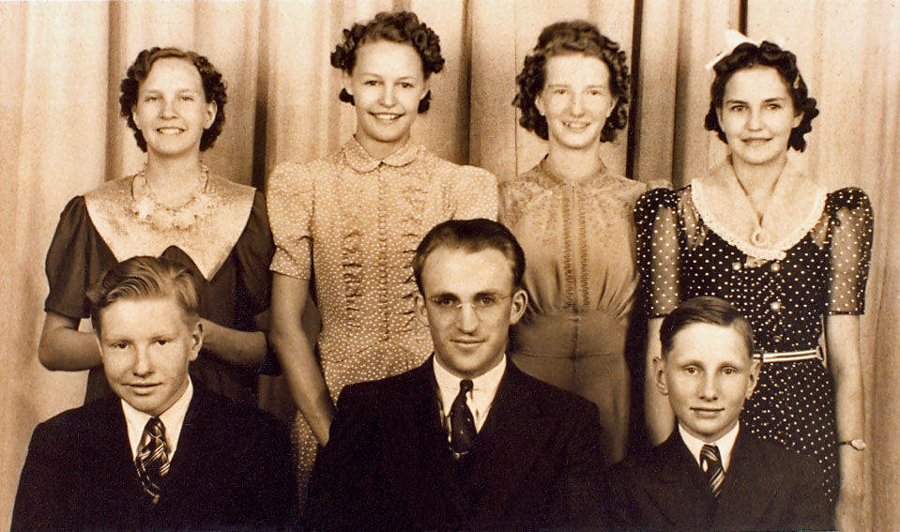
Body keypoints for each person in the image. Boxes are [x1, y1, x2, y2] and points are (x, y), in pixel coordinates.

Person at [635, 32, 872, 528]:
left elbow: (847, 363)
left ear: (798, 113)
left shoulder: (838, 213)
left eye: (772, 106)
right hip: (705, 414)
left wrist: (852, 482)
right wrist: (664, 467)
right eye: (738, 108)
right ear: (719, 117)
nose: (756, 124)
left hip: (806, 425)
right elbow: (660, 352)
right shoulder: (672, 212)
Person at [267, 11, 498, 498]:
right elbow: (285, 325)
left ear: (425, 88)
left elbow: (478, 320)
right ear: (348, 82)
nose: (388, 100)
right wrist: (334, 434)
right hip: (329, 410)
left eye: (404, 83)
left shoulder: (463, 187)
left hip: (438, 422)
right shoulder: (304, 185)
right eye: (373, 82)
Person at [303, 219, 607, 530]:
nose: (467, 323)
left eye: (485, 300)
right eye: (446, 301)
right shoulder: (366, 410)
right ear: (422, 309)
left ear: (516, 307)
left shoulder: (569, 423)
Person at [38, 47, 273, 406]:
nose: (168, 112)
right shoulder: (93, 212)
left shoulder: (247, 211)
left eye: (185, 98)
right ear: (135, 113)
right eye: (153, 98)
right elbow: (53, 347)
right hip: (116, 425)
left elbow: (276, 350)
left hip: (223, 426)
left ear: (209, 112)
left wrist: (197, 333)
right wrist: (132, 341)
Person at [12, 256, 296, 531]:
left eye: (160, 342)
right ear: (100, 347)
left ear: (194, 341)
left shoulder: (258, 441)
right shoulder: (58, 444)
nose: (142, 367)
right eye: (121, 345)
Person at [500, 20, 645, 464]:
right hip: (524, 391)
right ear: (539, 100)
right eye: (561, 91)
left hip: (618, 392)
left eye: (594, 92)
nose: (577, 108)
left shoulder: (644, 202)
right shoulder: (504, 200)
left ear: (613, 102)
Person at [605, 296, 829, 531]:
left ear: (751, 379)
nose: (709, 391)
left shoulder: (795, 476)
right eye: (691, 370)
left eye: (728, 370)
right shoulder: (627, 483)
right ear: (661, 375)